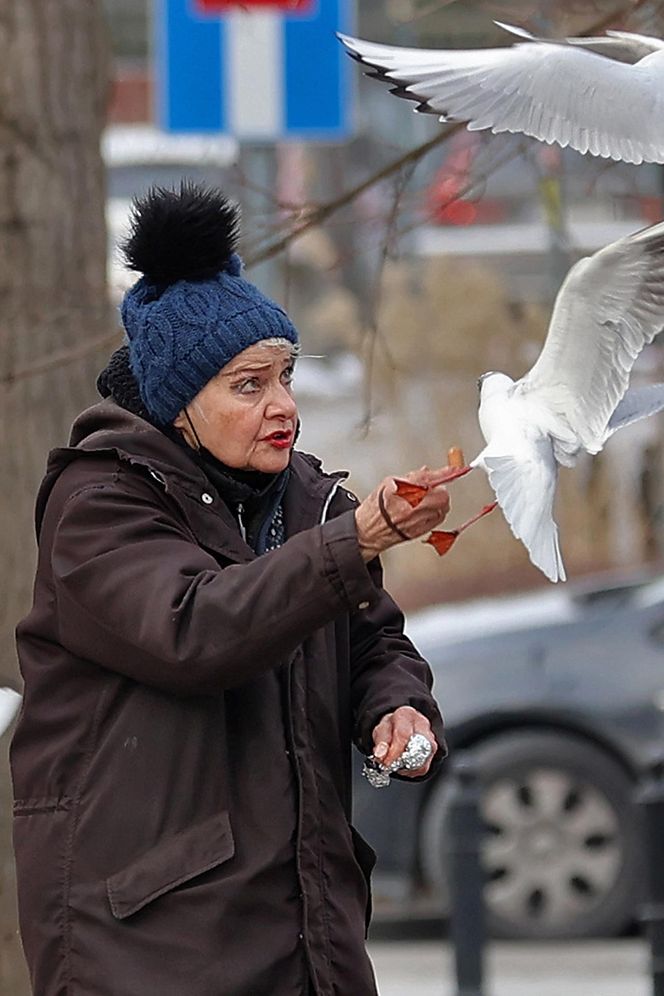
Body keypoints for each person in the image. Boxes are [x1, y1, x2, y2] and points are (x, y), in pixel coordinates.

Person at [11, 183, 451, 996]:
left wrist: (396, 704)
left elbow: (372, 639)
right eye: (250, 386)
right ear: (181, 406)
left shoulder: (309, 501)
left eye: (285, 375)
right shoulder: (97, 505)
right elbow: (197, 631)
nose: (284, 406)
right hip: (146, 944)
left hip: (309, 932)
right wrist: (359, 540)